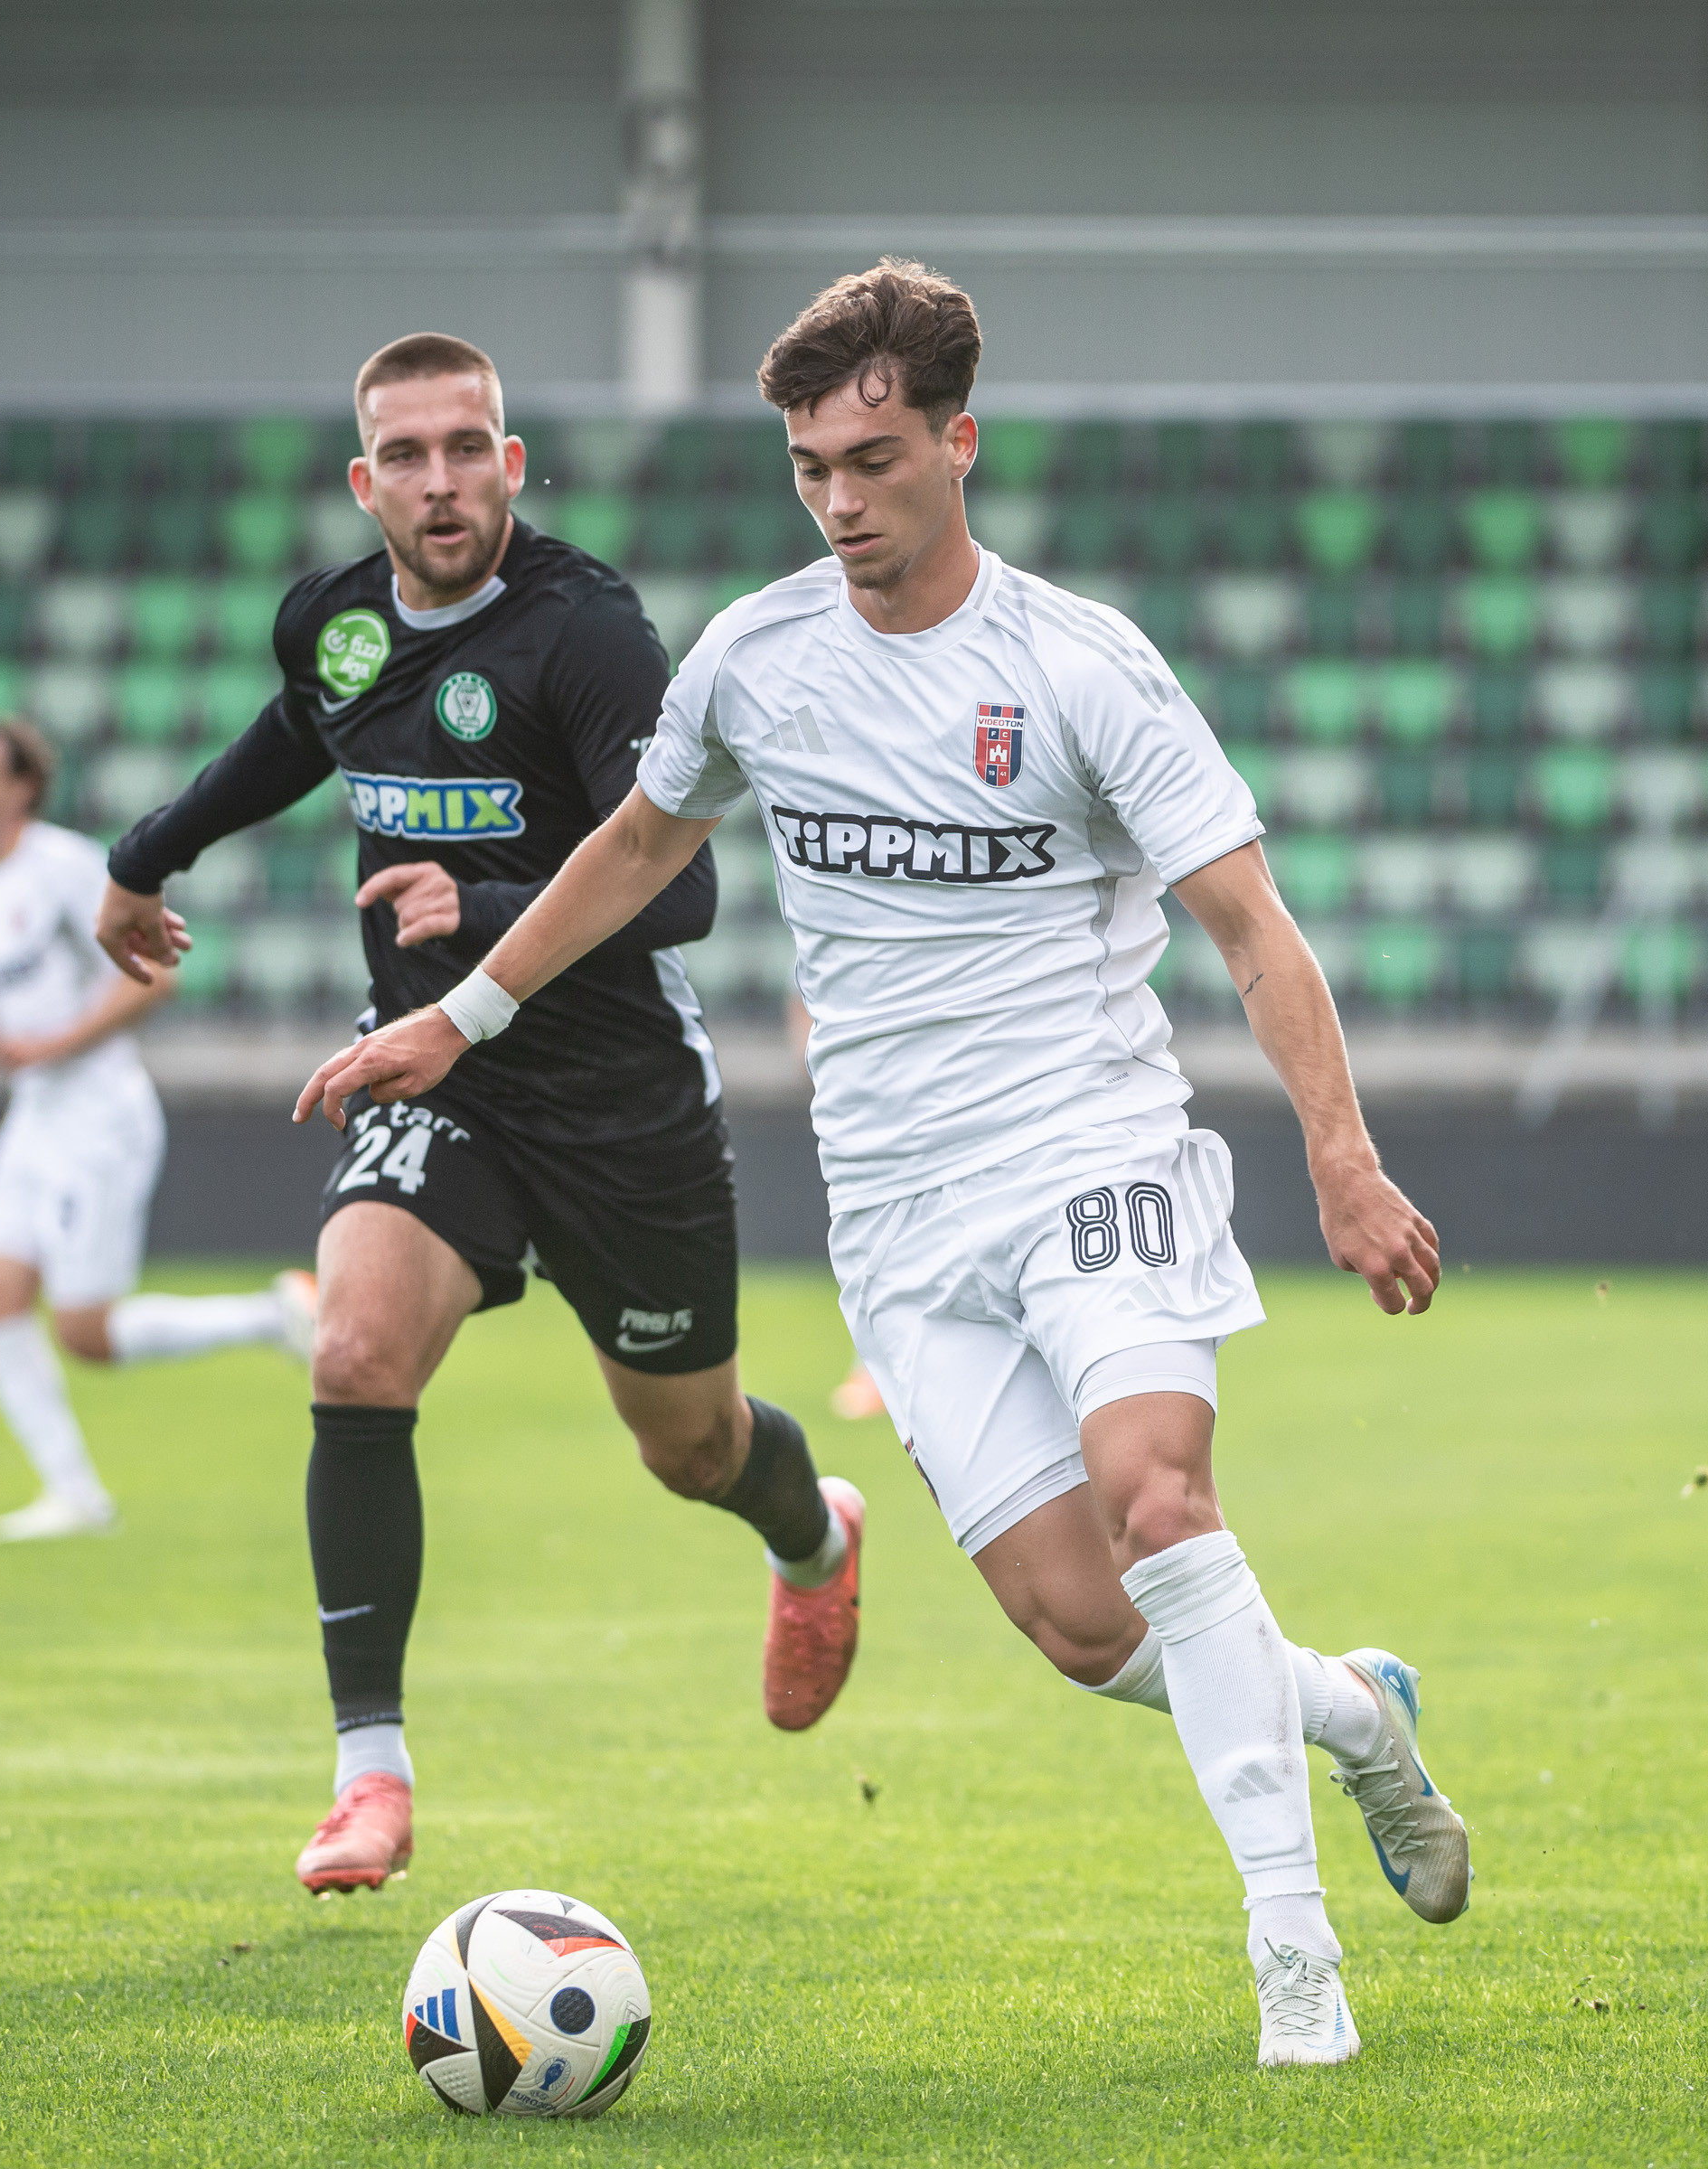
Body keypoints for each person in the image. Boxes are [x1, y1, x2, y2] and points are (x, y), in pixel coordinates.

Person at [292, 264, 1469, 2070]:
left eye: (872, 459)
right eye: (809, 469)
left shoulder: (1080, 667)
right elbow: (635, 848)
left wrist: (1344, 1161)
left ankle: (1293, 1961)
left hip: (1088, 1148)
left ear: (957, 442)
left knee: (1161, 1503)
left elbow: (1252, 928)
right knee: (1084, 1629)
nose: (839, 502)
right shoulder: (758, 658)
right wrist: (466, 1015)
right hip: (903, 1214)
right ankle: (1354, 1715)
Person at [91, 333, 862, 1897]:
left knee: (690, 1447)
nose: (439, 483)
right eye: (407, 456)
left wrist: (484, 903)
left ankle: (817, 1540)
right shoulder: (336, 624)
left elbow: (687, 892)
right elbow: (297, 731)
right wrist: (146, 854)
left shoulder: (588, 634)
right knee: (354, 1353)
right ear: (363, 480)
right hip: (437, 1078)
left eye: (466, 450)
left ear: (510, 465)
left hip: (618, 1099)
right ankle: (367, 1777)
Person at [0, 718, 316, 1543]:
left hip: (99, 1115)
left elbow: (154, 979)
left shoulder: (67, 867)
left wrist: (54, 1045)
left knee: (86, 1334)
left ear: (23, 787)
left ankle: (272, 1315)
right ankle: (73, 1494)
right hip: (36, 1115)